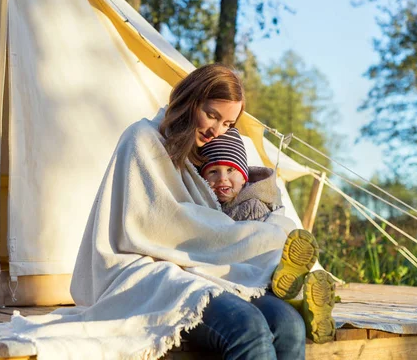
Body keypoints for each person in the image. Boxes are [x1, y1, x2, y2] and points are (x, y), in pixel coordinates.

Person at [69, 63, 309, 360]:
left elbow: (215, 223)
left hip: (200, 268)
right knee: (248, 328)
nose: (216, 130)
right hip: (145, 267)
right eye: (212, 115)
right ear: (189, 100)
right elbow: (167, 226)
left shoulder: (203, 154)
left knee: (289, 325)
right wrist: (258, 237)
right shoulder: (142, 140)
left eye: (227, 124)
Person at [199, 127, 336, 344]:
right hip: (264, 278)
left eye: (230, 170)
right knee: (285, 296)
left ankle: (293, 284)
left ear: (244, 176)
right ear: (202, 178)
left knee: (271, 268)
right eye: (213, 172)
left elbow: (249, 241)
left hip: (259, 261)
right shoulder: (212, 204)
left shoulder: (251, 204)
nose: (222, 179)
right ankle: (306, 307)